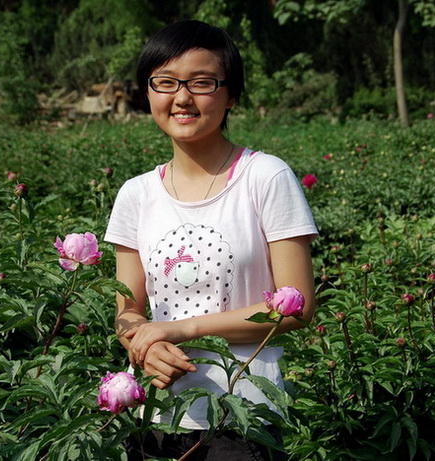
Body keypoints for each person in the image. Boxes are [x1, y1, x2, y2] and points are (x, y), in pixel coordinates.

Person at [104, 19, 317, 460]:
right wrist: (144, 346)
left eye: (201, 82)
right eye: (164, 82)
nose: (181, 97)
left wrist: (180, 330)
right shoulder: (135, 194)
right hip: (153, 412)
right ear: (148, 93)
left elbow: (295, 307)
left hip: (240, 414)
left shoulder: (266, 177)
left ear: (231, 95)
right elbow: (127, 310)